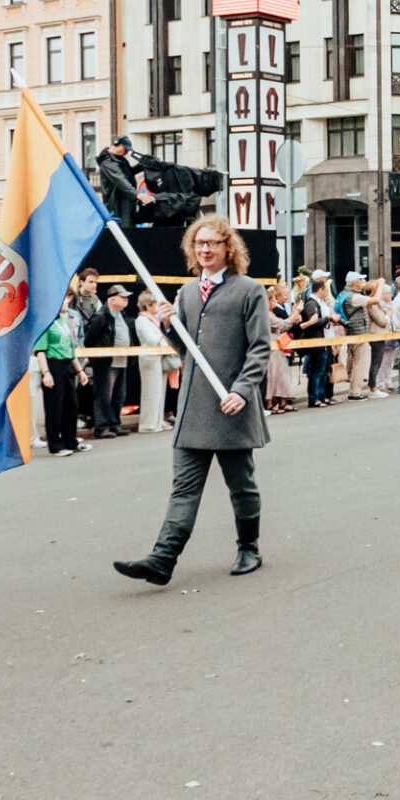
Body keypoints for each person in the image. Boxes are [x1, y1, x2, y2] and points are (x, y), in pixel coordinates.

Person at [113, 215, 271, 586]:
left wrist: (241, 390)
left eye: (213, 242)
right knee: (183, 488)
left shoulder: (249, 290)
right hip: (192, 407)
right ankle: (162, 558)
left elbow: (260, 348)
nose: (205, 249)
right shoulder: (185, 292)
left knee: (242, 486)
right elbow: (183, 349)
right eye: (199, 243)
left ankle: (249, 548)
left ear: (228, 247)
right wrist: (169, 324)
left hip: (230, 404)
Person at [33, 302, 90, 456]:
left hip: (67, 365)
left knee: (71, 405)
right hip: (53, 364)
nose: (67, 302)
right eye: (64, 299)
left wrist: (80, 370)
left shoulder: (64, 321)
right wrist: (46, 372)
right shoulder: (44, 323)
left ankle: (70, 441)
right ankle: (55, 445)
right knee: (54, 406)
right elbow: (40, 351)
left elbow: (71, 350)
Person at [83, 284, 133, 438]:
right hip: (106, 363)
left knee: (118, 395)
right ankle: (102, 427)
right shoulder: (100, 317)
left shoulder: (122, 314)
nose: (126, 300)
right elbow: (89, 340)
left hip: (121, 360)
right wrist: (99, 355)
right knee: (104, 395)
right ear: (111, 300)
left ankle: (114, 424)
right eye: (122, 297)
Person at [135, 293, 175, 431]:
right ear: (148, 306)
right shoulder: (141, 320)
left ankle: (158, 421)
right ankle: (148, 424)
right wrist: (162, 334)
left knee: (160, 391)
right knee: (151, 391)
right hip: (149, 357)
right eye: (155, 304)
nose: (157, 307)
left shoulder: (153, 319)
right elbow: (151, 339)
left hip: (159, 356)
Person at [296, 273, 334, 407]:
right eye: (325, 290)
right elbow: (312, 323)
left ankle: (322, 396)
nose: (326, 293)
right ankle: (314, 398)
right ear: (321, 289)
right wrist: (327, 319)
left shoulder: (320, 303)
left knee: (323, 371)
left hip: (324, 340)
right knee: (316, 372)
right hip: (316, 341)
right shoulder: (311, 303)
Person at [96, 136, 152, 226]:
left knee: (129, 227)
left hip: (126, 201)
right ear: (118, 145)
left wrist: (142, 165)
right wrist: (138, 194)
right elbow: (120, 180)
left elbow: (128, 173)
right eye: (125, 149)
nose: (126, 152)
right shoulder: (108, 162)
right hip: (117, 205)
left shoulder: (120, 160)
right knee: (123, 228)